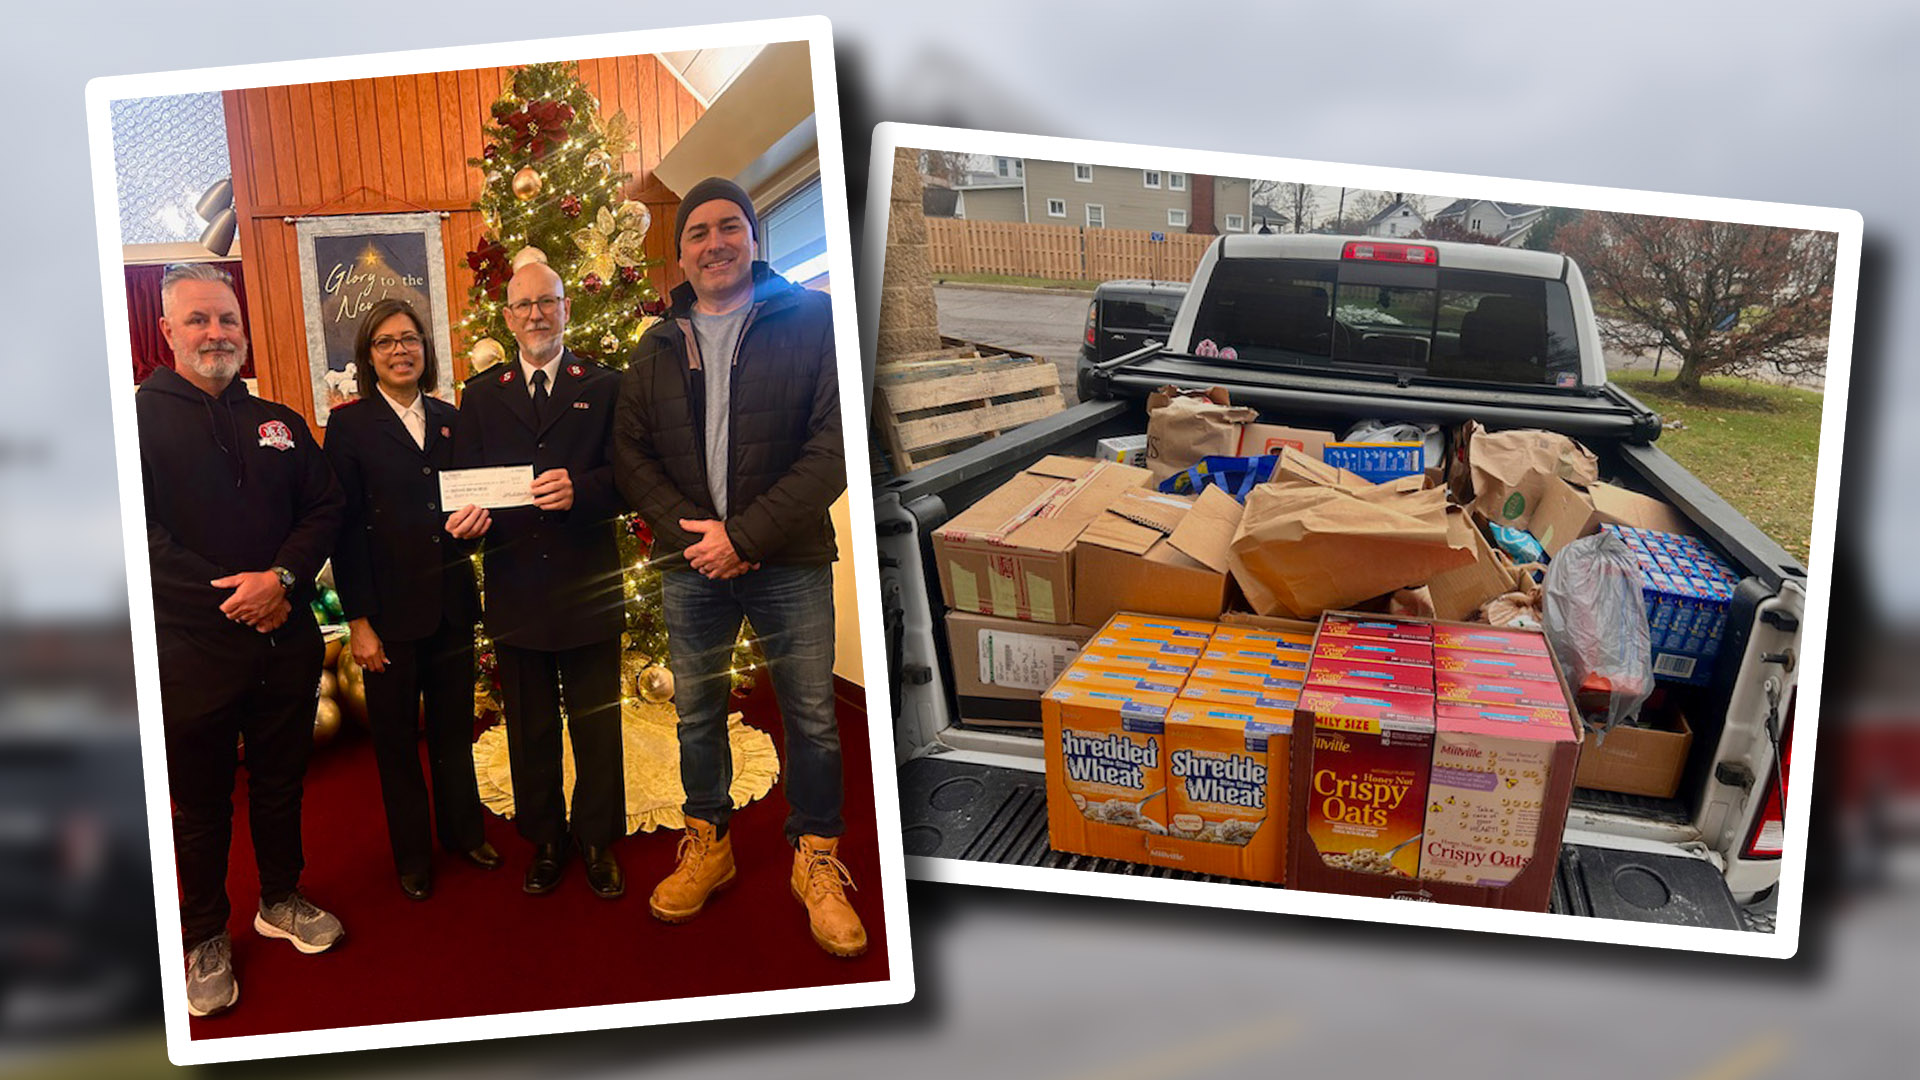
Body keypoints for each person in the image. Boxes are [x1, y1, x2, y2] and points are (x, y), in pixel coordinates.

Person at [612, 178, 864, 957]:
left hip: (787, 556)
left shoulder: (813, 319)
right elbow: (629, 453)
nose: (714, 243)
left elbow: (835, 445)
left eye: (730, 228)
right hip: (691, 565)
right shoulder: (654, 341)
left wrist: (744, 536)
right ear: (679, 252)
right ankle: (710, 845)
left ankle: (816, 859)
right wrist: (694, 536)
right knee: (695, 712)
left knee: (813, 715)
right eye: (697, 233)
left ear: (755, 239)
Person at [137, 263, 346, 1018]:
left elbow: (325, 508)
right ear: (166, 331)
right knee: (199, 807)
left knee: (281, 785)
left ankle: (280, 898)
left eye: (226, 319)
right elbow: (139, 539)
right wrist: (237, 597)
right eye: (197, 320)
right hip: (192, 654)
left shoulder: (282, 423)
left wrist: (282, 580)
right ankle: (203, 935)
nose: (215, 333)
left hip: (283, 643)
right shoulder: (135, 423)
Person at [445, 261, 628, 899]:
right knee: (529, 727)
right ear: (507, 318)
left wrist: (584, 489)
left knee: (597, 723)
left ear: (566, 307)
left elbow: (630, 478)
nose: (534, 316)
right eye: (522, 306)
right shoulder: (482, 394)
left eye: (546, 303)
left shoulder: (605, 385)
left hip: (589, 584)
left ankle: (598, 837)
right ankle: (547, 839)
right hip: (517, 588)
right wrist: (465, 518)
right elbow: (466, 482)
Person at [324, 299, 498, 902]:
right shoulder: (348, 426)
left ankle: (463, 834)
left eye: (410, 339)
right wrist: (359, 622)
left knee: (454, 732)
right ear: (369, 357)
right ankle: (413, 854)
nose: (401, 351)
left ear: (426, 349)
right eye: (385, 342)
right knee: (397, 743)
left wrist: (482, 522)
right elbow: (344, 531)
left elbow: (474, 499)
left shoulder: (453, 419)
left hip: (451, 605)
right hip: (388, 618)